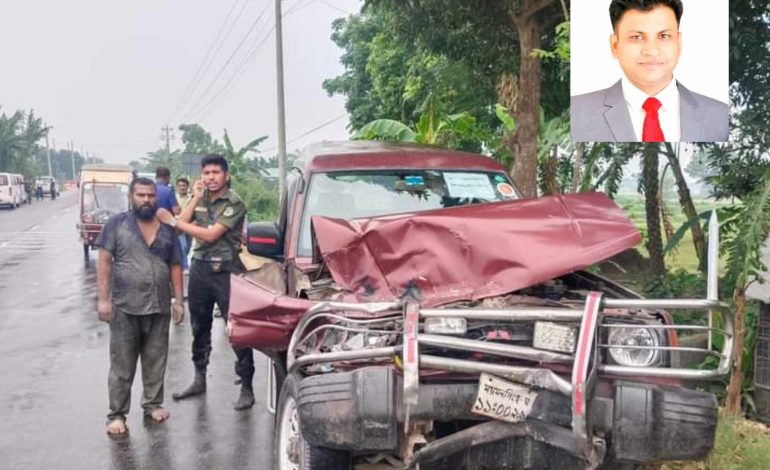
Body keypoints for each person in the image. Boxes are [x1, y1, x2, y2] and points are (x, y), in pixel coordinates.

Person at [156, 154, 255, 410]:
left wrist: (175, 221)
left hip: (226, 270)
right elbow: (180, 229)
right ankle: (199, 378)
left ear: (226, 175)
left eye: (216, 173)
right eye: (207, 173)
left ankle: (247, 386)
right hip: (200, 269)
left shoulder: (234, 203)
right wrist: (195, 198)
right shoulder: (200, 198)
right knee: (199, 326)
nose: (211, 177)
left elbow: (210, 235)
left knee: (237, 329)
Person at [95, 177, 185, 435]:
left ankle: (153, 404)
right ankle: (117, 414)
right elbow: (104, 261)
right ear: (131, 197)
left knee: (156, 359)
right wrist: (103, 299)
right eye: (141, 195)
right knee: (122, 364)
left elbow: (175, 265)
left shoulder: (167, 229)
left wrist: (178, 301)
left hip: (158, 306)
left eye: (150, 195)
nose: (146, 200)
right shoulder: (117, 224)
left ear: (156, 197)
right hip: (124, 306)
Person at [570, 0, 729, 142]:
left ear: (679, 43)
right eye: (636, 37)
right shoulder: (576, 113)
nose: (652, 51)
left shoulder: (720, 116)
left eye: (664, 36)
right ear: (615, 46)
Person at [175, 177, 193, 270]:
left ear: (187, 186)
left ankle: (183, 262)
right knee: (183, 246)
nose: (182, 188)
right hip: (178, 226)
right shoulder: (174, 198)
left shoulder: (191, 198)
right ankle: (184, 266)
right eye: (180, 186)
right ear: (177, 187)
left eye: (184, 185)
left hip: (189, 226)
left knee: (188, 246)